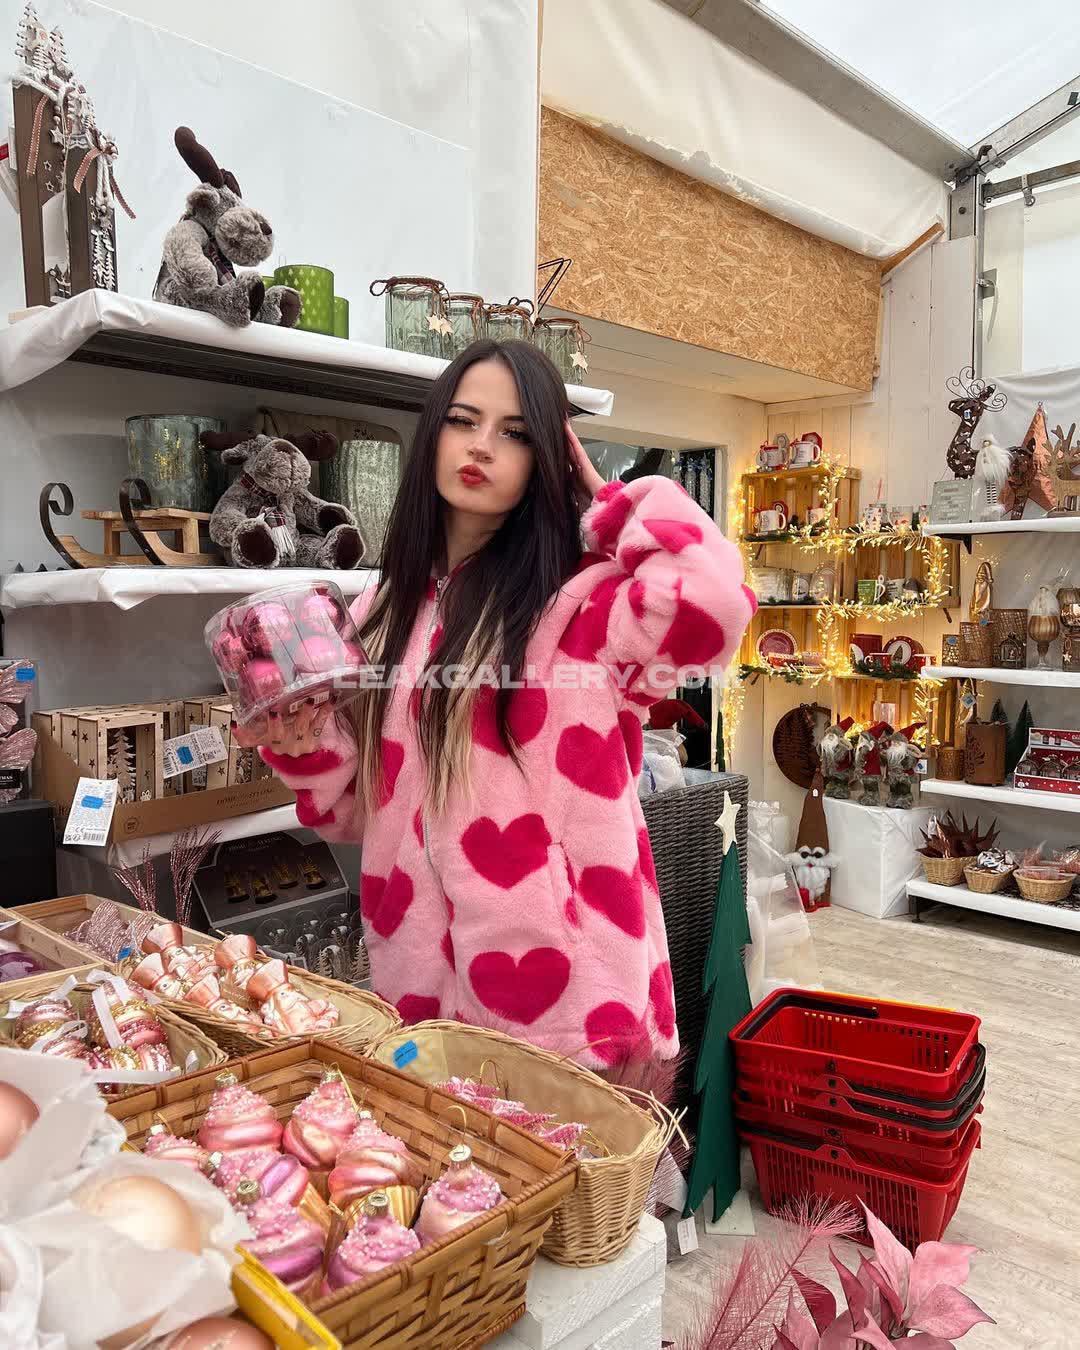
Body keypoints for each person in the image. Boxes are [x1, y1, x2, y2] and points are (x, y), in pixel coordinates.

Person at [239, 340, 754, 1069]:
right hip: (420, 999)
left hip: (575, 1012)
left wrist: (610, 502)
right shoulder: (380, 613)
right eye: (463, 420)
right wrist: (301, 747)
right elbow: (354, 811)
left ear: (548, 458)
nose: (481, 445)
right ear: (433, 435)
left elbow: (715, 601)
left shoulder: (584, 604)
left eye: (515, 433)